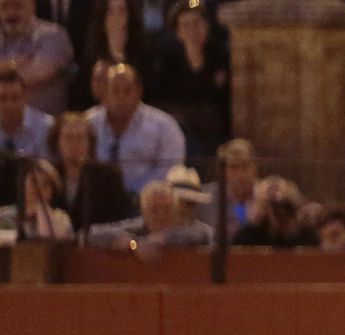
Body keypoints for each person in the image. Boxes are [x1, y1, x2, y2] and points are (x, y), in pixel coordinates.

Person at [146, 0, 229, 159]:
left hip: (213, 132)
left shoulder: (218, 55)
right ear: (178, 32)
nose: (192, 31)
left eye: (196, 23)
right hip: (179, 129)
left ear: (206, 26)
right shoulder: (167, 59)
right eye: (186, 26)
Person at [86, 62, 184, 195]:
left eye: (127, 90)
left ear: (139, 91)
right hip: (96, 200)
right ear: (105, 92)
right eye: (115, 90)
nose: (121, 97)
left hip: (146, 201)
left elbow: (172, 172)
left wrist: (139, 194)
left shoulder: (165, 127)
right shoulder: (88, 123)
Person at [47, 108, 126, 227]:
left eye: (80, 138)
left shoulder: (109, 177)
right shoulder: (48, 176)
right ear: (57, 142)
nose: (74, 144)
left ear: (90, 143)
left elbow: (121, 221)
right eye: (68, 138)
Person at [0, 0, 72, 115]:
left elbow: (36, 75)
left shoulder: (53, 35)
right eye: (4, 7)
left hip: (44, 123)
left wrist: (4, 68)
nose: (11, 13)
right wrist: (14, 64)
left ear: (32, 6)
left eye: (18, 6)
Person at [0, 155, 73, 237]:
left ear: (53, 190)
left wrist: (41, 212)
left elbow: (52, 240)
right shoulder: (4, 215)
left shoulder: (61, 219)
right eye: (33, 181)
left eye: (45, 184)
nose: (39, 188)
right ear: (23, 184)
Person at [0, 64, 49, 154]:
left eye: (15, 98)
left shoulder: (45, 128)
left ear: (26, 96)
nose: (9, 105)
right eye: (3, 98)